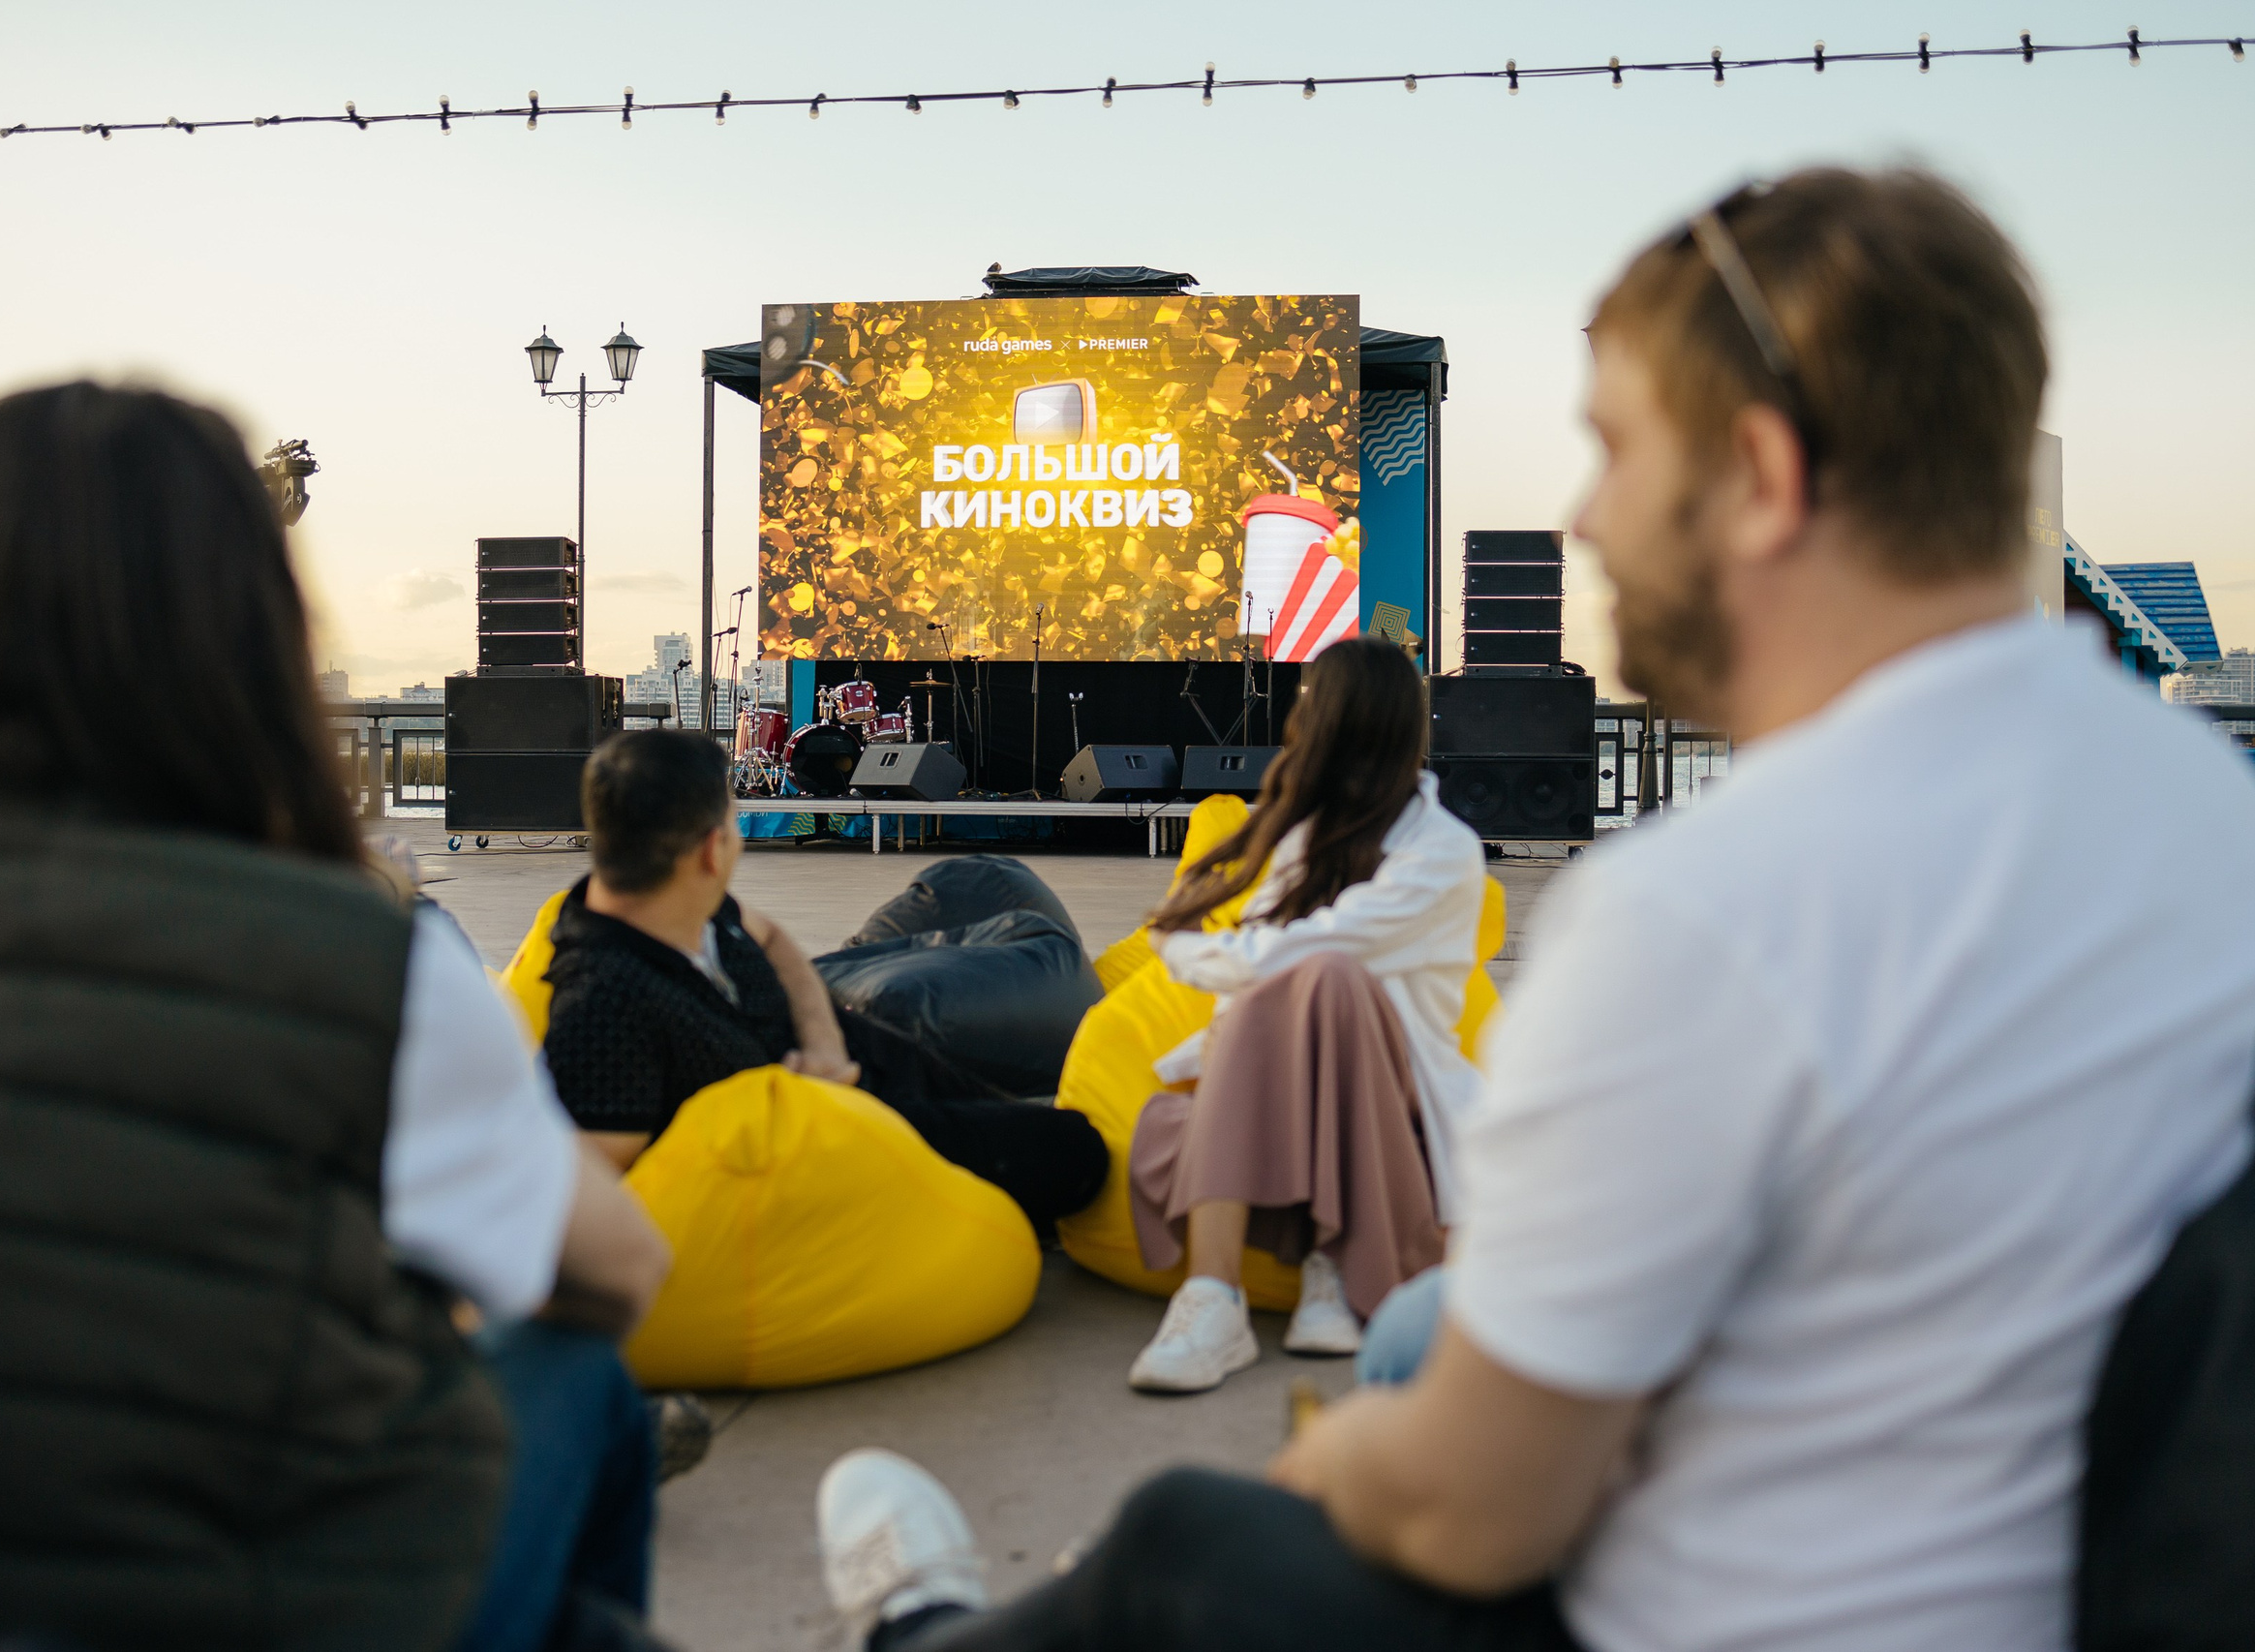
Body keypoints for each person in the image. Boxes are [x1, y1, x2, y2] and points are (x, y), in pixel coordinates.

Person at [806, 165, 2255, 1652]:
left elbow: (1468, 1511)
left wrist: (1340, 1465)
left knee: (1194, 1534)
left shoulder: (1709, 916)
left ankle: (920, 1629)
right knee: (1431, 1333)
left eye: (1617, 449)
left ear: (1758, 476)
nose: (1585, 517)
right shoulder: (2214, 821)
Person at [0, 382, 672, 1652]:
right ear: (255, 635)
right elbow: (619, 1269)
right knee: (579, 1382)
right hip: (234, 1603)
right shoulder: (361, 959)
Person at [541, 729, 1109, 1227]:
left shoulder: (671, 895)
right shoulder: (603, 1001)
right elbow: (597, 1191)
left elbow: (770, 939)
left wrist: (823, 1043)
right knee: (1082, 1156)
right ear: (714, 850)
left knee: (1044, 1113)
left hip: (855, 1055)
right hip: (848, 1133)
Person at [1122, 634, 1485, 1392]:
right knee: (1285, 982)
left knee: (1323, 973)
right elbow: (1258, 951)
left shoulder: (1443, 851)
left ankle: (1334, 1260)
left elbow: (1288, 952)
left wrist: (1181, 949)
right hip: (1289, 1090)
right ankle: (1213, 1298)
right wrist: (1206, 955)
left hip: (1401, 1107)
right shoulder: (1303, 840)